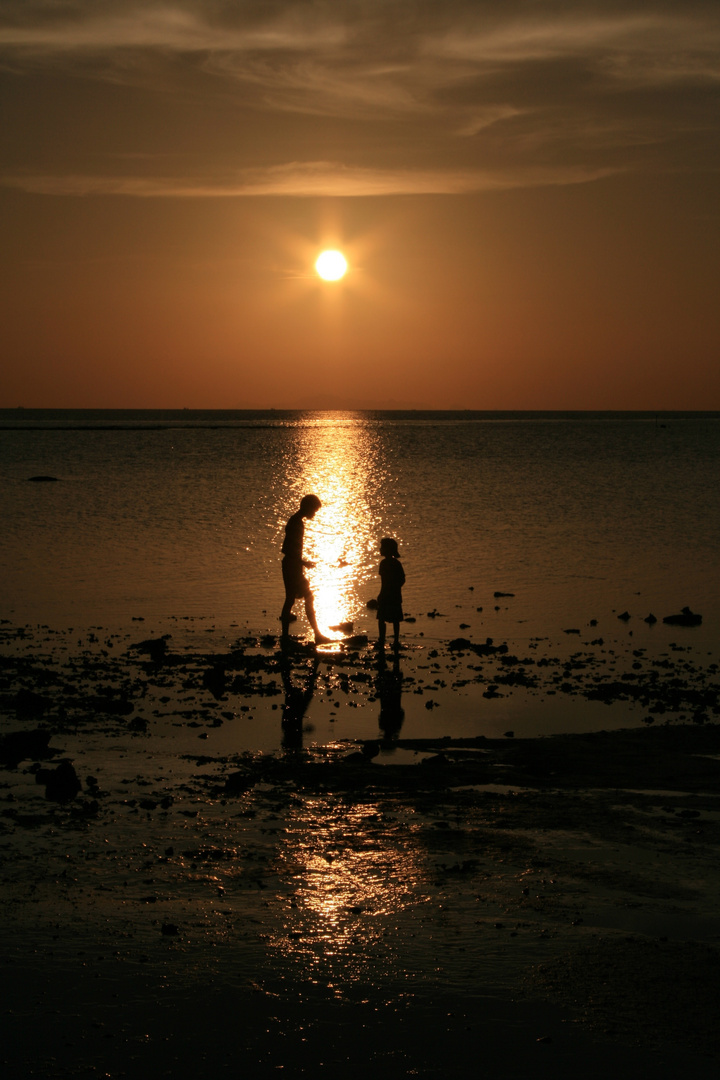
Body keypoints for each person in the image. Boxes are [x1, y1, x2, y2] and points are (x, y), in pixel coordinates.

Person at [280, 494, 331, 645]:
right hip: (291, 566)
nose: (314, 514)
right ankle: (317, 635)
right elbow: (288, 549)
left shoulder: (296, 521)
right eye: (314, 510)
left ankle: (285, 637)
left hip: (292, 565)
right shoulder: (296, 523)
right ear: (307, 508)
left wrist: (302, 562)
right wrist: (299, 563)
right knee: (307, 597)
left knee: (290, 599)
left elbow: (290, 550)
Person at [376, 537, 405, 648]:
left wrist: (385, 592)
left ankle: (383, 640)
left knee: (383, 618)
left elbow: (385, 582)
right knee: (394, 619)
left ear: (388, 549)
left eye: (382, 547)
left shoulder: (384, 564)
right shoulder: (395, 564)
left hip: (388, 594)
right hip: (393, 594)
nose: (380, 549)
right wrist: (396, 589)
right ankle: (393, 641)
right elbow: (402, 579)